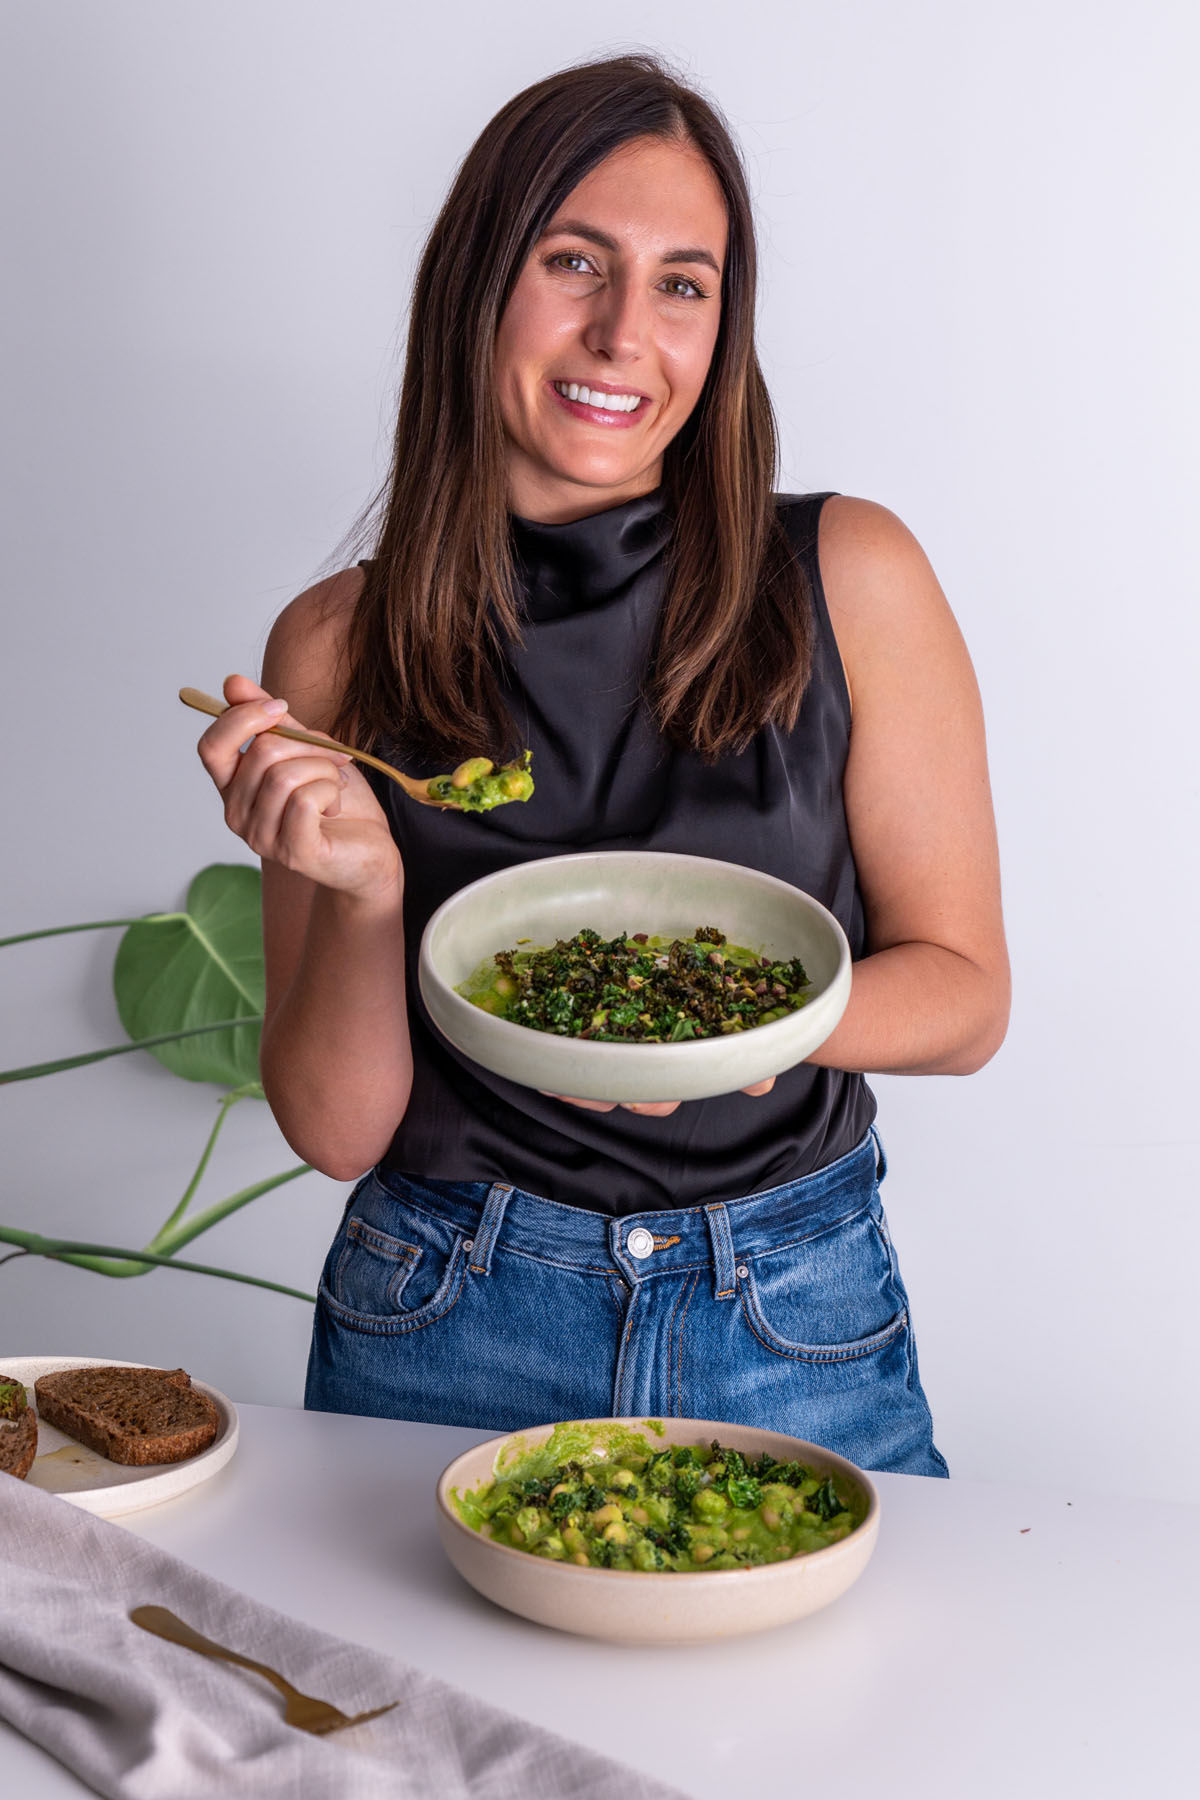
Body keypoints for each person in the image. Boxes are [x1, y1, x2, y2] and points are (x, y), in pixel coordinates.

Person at [197, 54, 1009, 1477]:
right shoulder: (333, 646)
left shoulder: (850, 573)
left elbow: (965, 998)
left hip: (791, 1305)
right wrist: (367, 892)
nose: (626, 331)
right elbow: (335, 1131)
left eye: (683, 284)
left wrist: (729, 1035)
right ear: (479, 280)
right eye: (575, 261)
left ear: (722, 328)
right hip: (447, 1307)